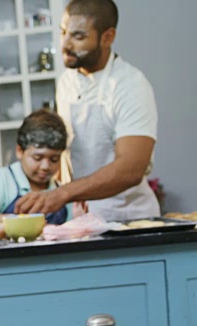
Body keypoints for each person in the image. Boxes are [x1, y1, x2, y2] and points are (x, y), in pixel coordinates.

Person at [15, 0, 159, 221]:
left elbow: (131, 169)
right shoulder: (66, 82)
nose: (65, 44)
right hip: (84, 217)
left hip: (129, 219)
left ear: (108, 37)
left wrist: (64, 193)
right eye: (63, 32)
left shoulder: (131, 86)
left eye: (78, 37)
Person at [0, 109, 72, 225]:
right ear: (20, 151)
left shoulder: (61, 192)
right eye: (37, 158)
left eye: (54, 159)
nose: (45, 166)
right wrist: (16, 220)